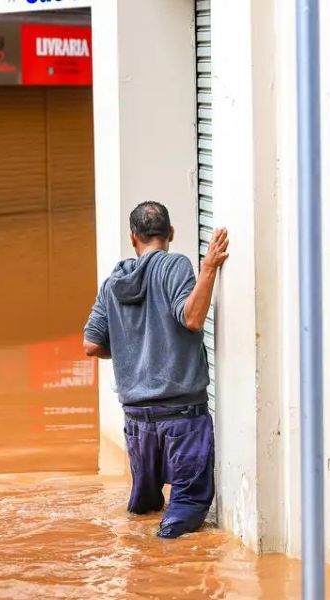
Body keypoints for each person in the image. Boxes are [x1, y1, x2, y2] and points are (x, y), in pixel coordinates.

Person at [83, 201, 229, 539]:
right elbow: (192, 319)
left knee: (144, 510)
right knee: (184, 515)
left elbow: (90, 345)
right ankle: (163, 569)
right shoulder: (175, 266)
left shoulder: (112, 284)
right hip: (182, 417)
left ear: (133, 237)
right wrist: (208, 269)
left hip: (137, 422)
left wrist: (128, 353)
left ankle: (140, 572)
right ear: (171, 234)